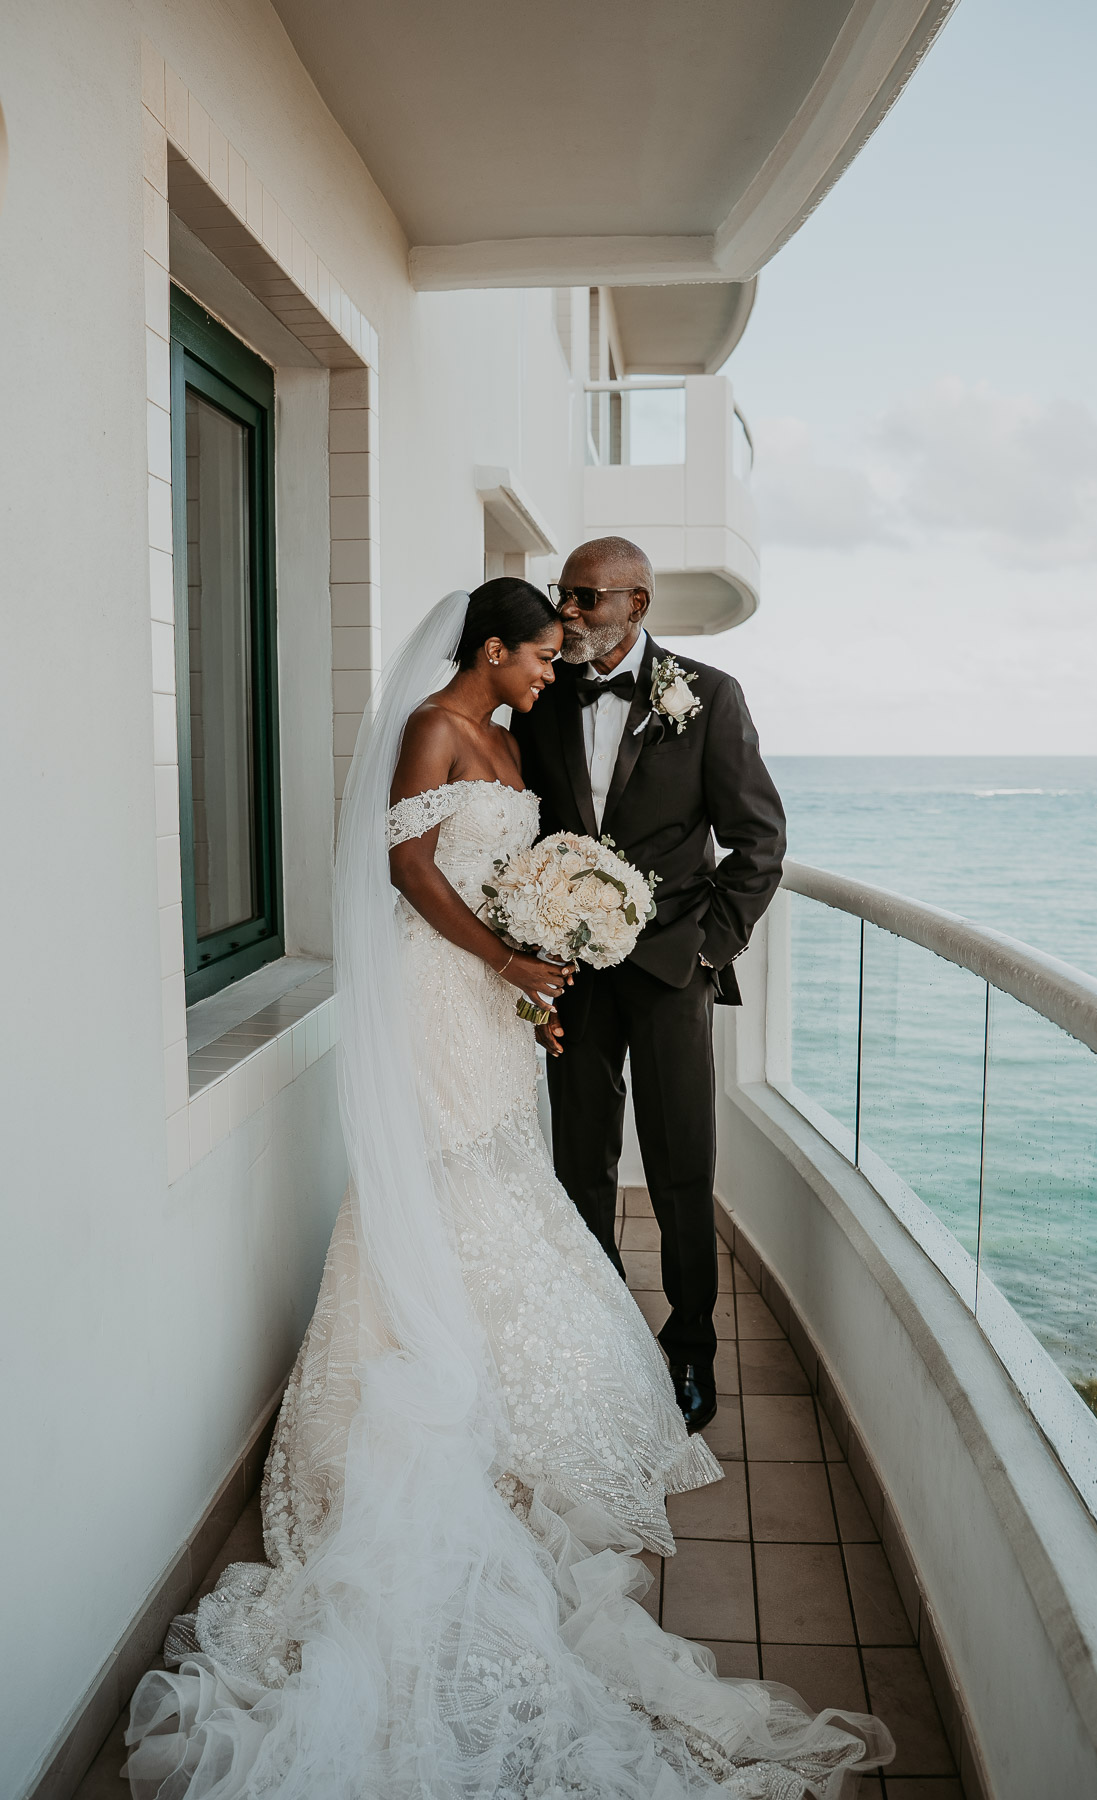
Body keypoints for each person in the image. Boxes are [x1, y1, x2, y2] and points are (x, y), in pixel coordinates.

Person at [124, 580, 890, 1798]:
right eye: (539, 653)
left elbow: (555, 858)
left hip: (497, 996)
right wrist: (504, 955)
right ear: (490, 648)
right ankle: (423, 1380)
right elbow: (406, 866)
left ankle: (536, 1385)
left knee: (514, 1173)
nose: (552, 671)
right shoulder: (433, 725)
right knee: (445, 1180)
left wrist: (539, 959)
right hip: (443, 989)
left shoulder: (519, 730)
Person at [511, 538, 787, 1436]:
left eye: (586, 597)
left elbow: (759, 842)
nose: (569, 612)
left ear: (638, 603)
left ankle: (692, 1346)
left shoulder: (708, 695)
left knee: (680, 1167)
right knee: (580, 1160)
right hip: (573, 970)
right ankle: (599, 1336)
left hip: (672, 971)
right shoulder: (542, 696)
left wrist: (709, 950)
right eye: (564, 594)